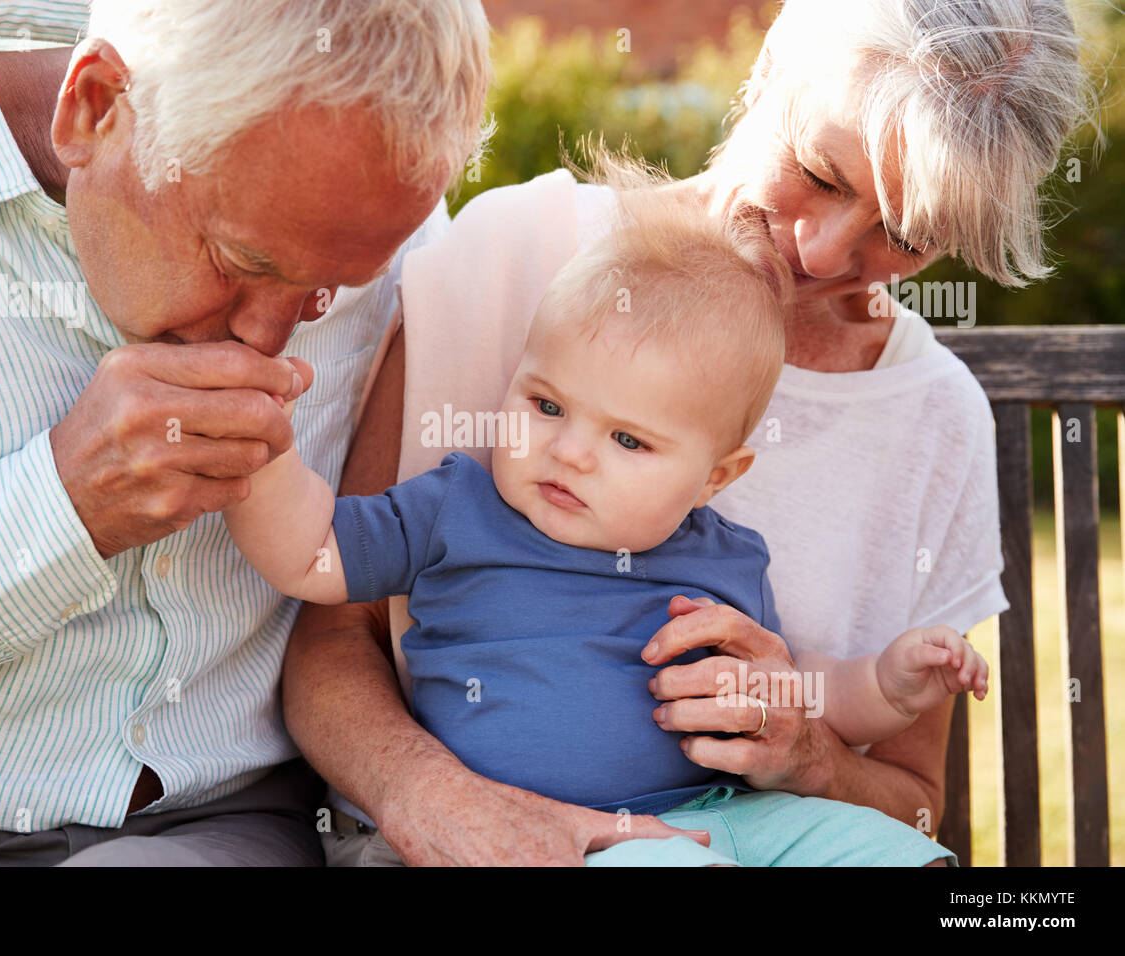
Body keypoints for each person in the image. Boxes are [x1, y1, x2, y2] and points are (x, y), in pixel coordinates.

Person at [281, 0, 1096, 865]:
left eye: (905, 235)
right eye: (820, 171)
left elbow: (916, 807)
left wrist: (809, 756)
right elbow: (334, 636)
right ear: (776, 58)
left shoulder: (933, 417)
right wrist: (437, 798)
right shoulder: (516, 257)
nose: (821, 253)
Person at [0, 0, 490, 866]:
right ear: (94, 106)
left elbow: (390, 604)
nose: (268, 339)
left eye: (328, 294)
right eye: (243, 265)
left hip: (228, 831)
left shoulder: (381, 221)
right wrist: (64, 505)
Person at [227, 175, 989, 866]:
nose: (570, 452)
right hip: (537, 834)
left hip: (725, 816)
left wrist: (887, 685)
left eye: (627, 439)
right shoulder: (457, 508)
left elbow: (798, 684)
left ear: (714, 479)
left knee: (892, 855)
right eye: (546, 404)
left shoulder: (723, 557)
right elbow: (313, 556)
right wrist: (261, 452)